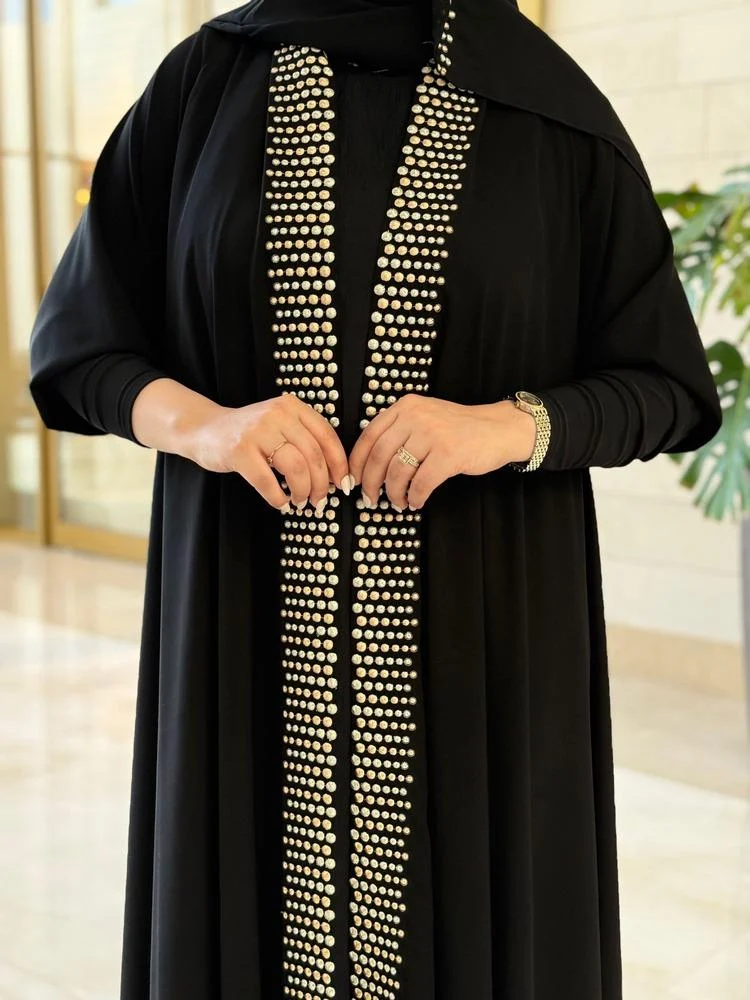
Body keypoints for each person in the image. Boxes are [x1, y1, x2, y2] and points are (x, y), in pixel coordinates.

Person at [28, 1, 722, 998]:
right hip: (243, 632)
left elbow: (667, 386)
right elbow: (79, 349)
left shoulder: (549, 109)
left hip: (486, 654)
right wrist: (208, 427)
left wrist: (507, 426)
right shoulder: (202, 88)